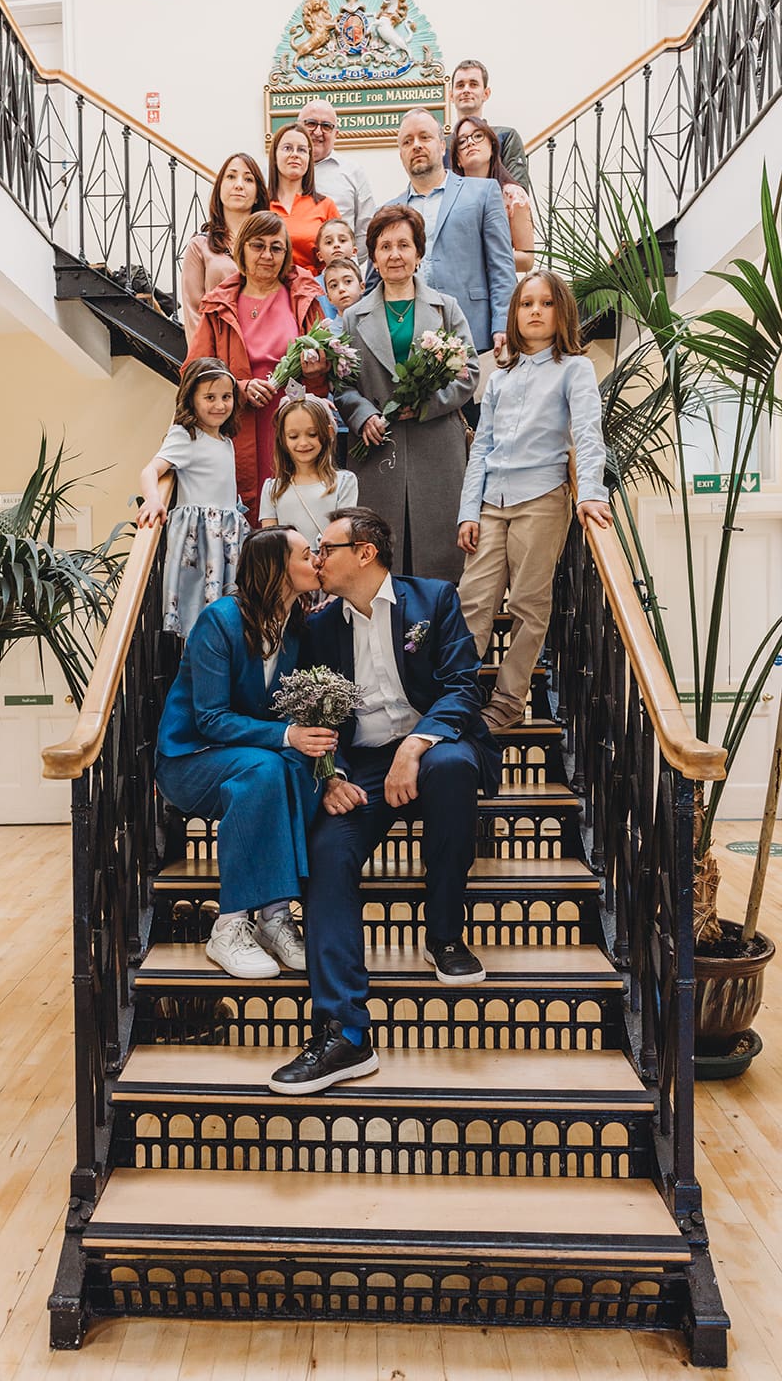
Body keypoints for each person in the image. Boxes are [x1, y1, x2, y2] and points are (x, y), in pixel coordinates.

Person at [268, 507, 502, 1095]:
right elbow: (307, 712)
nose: (316, 559)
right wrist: (329, 774)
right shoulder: (318, 627)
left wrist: (415, 747)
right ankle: (344, 1031)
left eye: (326, 548)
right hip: (360, 766)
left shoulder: (434, 601)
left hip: (431, 745)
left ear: (365, 553)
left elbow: (460, 687)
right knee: (326, 851)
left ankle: (445, 936)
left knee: (450, 769)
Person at [156, 527, 334, 979]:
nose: (316, 559)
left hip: (256, 758)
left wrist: (330, 769)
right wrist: (288, 736)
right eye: (306, 553)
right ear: (276, 568)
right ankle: (230, 924)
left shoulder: (296, 627)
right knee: (267, 768)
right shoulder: (220, 621)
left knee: (290, 770)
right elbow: (210, 718)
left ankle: (274, 919)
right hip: (192, 759)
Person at [457, 272, 612, 732]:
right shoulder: (501, 376)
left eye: (546, 303)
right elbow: (480, 446)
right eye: (527, 304)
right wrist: (468, 510)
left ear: (561, 312)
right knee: (472, 601)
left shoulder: (574, 369)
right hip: (491, 502)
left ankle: (507, 701)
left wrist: (591, 494)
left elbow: (586, 435)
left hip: (541, 498)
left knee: (528, 603)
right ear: (516, 314)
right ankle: (455, 695)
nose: (536, 311)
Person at [334, 204, 478, 581]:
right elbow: (343, 384)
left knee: (440, 568)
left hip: (437, 451)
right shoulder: (353, 316)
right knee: (381, 563)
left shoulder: (446, 309)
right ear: (374, 257)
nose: (395, 254)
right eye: (384, 246)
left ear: (418, 253)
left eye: (403, 245)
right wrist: (363, 413)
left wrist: (426, 404)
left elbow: (469, 372)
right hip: (378, 452)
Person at [185, 210, 327, 526]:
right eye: (257, 245)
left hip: (294, 426)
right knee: (247, 522)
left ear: (287, 253)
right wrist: (239, 387)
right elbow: (193, 373)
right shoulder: (218, 305)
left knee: (296, 521)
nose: (267, 255)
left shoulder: (303, 297)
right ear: (242, 249)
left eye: (276, 247)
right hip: (237, 427)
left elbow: (325, 381)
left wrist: (317, 370)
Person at [380, 108, 515, 362]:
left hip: (476, 334)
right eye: (407, 142)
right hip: (412, 343)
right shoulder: (390, 212)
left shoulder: (483, 193)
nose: (416, 145)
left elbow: (501, 265)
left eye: (424, 137)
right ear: (401, 155)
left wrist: (503, 323)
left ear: (442, 146)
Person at [136, 358, 249, 638]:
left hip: (227, 534)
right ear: (192, 399)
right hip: (202, 536)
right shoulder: (185, 436)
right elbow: (150, 470)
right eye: (209, 397)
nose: (220, 405)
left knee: (229, 606)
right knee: (199, 607)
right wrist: (153, 500)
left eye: (226, 397)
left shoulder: (226, 441)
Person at [180, 153, 269, 344]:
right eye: (231, 176)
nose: (239, 185)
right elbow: (194, 313)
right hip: (218, 355)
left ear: (257, 196)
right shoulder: (200, 246)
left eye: (248, 179)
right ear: (220, 188)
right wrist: (209, 367)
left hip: (264, 351)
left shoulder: (271, 247)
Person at [259, 395, 358, 548]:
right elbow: (270, 545)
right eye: (293, 436)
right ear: (283, 440)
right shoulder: (272, 489)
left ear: (329, 433)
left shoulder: (345, 482)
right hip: (288, 569)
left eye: (312, 434)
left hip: (331, 565)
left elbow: (343, 536)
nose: (303, 443)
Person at [451, 116, 535, 273]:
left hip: (499, 286)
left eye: (477, 136)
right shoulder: (449, 198)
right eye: (462, 141)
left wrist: (480, 256)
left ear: (492, 147)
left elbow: (527, 259)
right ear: (458, 160)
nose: (470, 142)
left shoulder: (513, 195)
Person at [298, 99, 376, 263]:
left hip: (339, 279)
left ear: (336, 134)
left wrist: (346, 264)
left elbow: (366, 231)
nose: (318, 132)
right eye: (311, 124)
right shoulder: (274, 171)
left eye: (326, 126)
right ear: (298, 127)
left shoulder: (353, 172)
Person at [267, 124, 341, 274]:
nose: (295, 155)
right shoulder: (259, 204)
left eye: (301, 150)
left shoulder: (325, 206)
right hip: (269, 291)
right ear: (274, 156)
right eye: (287, 148)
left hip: (315, 291)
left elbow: (341, 259)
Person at [447, 59, 529, 188]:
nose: (466, 90)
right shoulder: (442, 145)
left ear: (486, 93)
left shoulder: (506, 137)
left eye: (473, 84)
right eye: (460, 85)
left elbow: (518, 192)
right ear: (451, 95)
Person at [313, 217, 359, 320]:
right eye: (329, 242)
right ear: (319, 256)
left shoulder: (360, 280)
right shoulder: (314, 287)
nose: (336, 245)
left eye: (342, 240)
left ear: (354, 251)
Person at [322, 256, 365, 329]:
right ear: (329, 298)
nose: (341, 289)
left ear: (362, 287)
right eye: (334, 285)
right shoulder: (329, 334)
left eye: (348, 281)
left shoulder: (376, 320)